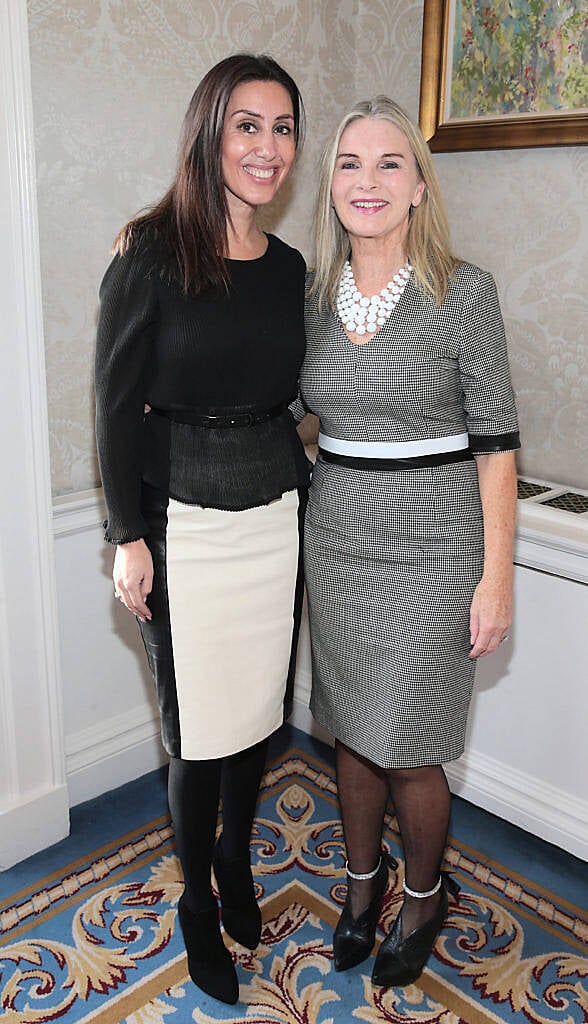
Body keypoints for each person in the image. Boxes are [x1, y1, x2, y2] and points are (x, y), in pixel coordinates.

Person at [94, 54, 310, 1006]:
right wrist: (125, 535)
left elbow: (299, 392)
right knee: (196, 736)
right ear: (210, 132)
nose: (268, 148)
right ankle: (194, 902)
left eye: (284, 127)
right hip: (179, 523)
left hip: (274, 515)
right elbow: (112, 406)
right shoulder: (149, 252)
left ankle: (234, 862)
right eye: (248, 126)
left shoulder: (291, 267)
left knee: (255, 722)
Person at [296, 96, 520, 988]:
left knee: (411, 744)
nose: (369, 180)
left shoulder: (464, 293)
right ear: (333, 184)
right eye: (351, 162)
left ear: (419, 186)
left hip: (436, 544)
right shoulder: (311, 296)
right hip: (339, 537)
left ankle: (423, 894)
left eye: (390, 163)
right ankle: (362, 886)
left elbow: (498, 445)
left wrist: (495, 576)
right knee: (351, 734)